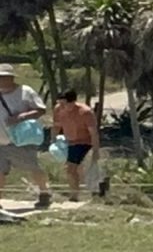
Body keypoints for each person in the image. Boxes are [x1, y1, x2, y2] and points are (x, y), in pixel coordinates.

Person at [0, 65, 51, 211]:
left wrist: (22, 117)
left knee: (32, 167)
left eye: (3, 77)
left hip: (20, 140)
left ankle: (44, 192)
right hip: (0, 140)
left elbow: (40, 109)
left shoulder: (25, 91)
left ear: (11, 78)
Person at [50, 87, 99, 199]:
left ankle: (74, 195)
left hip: (83, 142)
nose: (61, 107)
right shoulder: (58, 109)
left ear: (72, 102)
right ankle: (78, 190)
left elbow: (93, 133)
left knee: (70, 167)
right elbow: (56, 126)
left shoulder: (85, 112)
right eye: (60, 103)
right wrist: (53, 141)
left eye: (64, 104)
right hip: (67, 141)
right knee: (73, 169)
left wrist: (96, 150)